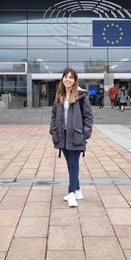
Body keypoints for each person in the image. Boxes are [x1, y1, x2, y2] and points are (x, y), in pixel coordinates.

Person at [50, 68, 93, 208]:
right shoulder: (59, 96)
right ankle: (78, 190)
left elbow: (88, 116)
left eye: (70, 77)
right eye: (65, 77)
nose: (67, 79)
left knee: (74, 164)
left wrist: (85, 134)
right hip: (62, 135)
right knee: (70, 164)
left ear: (75, 80)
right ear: (62, 79)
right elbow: (54, 115)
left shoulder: (81, 96)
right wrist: (53, 130)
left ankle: (72, 193)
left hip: (76, 135)